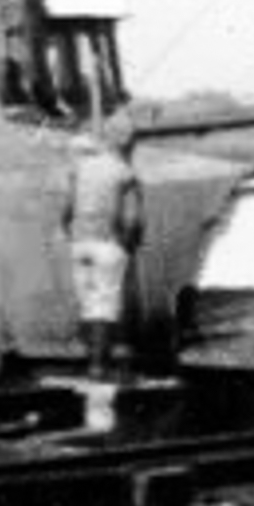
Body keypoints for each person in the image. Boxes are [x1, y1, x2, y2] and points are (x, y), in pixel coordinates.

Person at [62, 114, 145, 377]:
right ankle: (98, 367)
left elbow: (66, 210)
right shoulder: (125, 173)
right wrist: (127, 245)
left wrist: (73, 234)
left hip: (79, 243)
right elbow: (132, 220)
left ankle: (92, 360)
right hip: (107, 244)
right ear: (128, 143)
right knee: (105, 305)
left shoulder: (81, 168)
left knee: (88, 303)